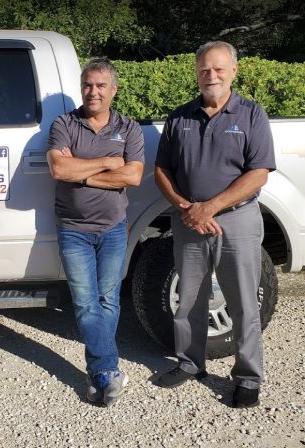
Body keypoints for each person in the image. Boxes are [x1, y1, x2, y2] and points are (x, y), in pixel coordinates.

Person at [154, 41, 276, 408]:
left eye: (219, 69)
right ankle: (191, 364)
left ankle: (248, 377)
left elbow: (259, 173)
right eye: (205, 69)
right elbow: (162, 171)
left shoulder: (252, 114)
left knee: (242, 302)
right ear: (196, 73)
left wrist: (211, 207)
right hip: (189, 220)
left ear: (233, 72)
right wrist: (184, 206)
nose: (212, 75)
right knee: (189, 300)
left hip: (236, 221)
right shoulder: (180, 117)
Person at [47, 57, 144, 405]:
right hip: (73, 229)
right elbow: (59, 168)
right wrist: (106, 163)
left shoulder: (128, 128)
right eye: (88, 84)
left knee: (108, 300)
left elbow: (132, 175)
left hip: (114, 228)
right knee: (86, 304)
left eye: (101, 85)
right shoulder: (64, 123)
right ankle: (107, 369)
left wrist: (81, 172)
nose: (94, 91)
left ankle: (98, 370)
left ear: (113, 90)